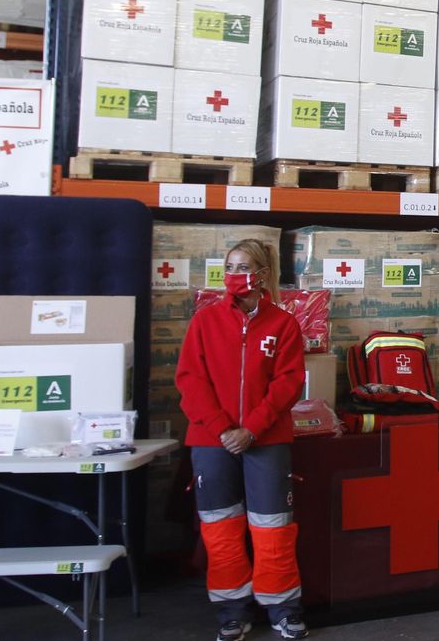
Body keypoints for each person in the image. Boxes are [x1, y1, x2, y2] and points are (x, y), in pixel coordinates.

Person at [175, 240, 309, 640]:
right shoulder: (205, 322)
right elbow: (190, 380)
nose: (235, 273)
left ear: (263, 273)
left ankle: (283, 608)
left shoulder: (283, 325)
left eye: (244, 266)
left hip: (265, 439)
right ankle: (231, 609)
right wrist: (222, 428)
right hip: (211, 440)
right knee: (220, 527)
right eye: (229, 265)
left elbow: (288, 383)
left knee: (273, 527)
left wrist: (251, 428)